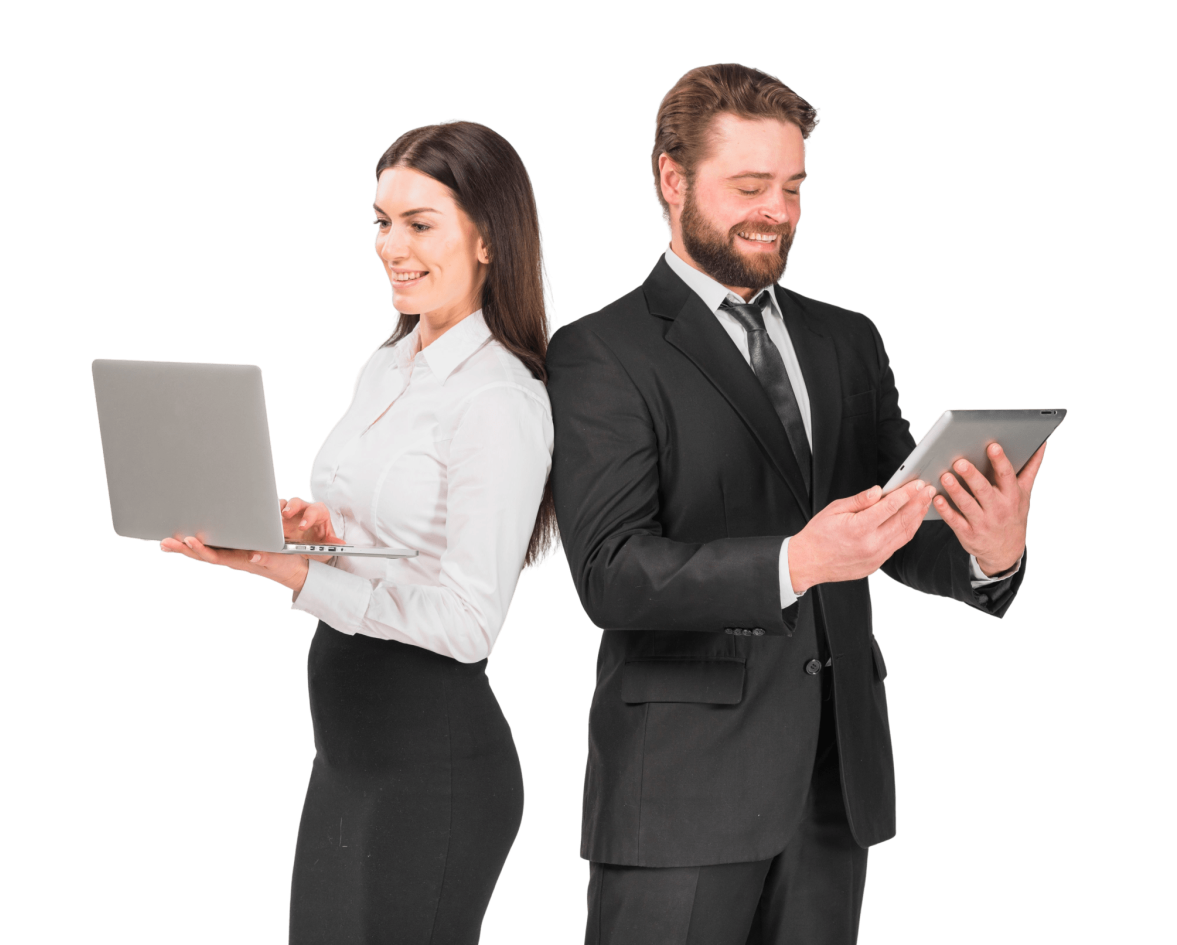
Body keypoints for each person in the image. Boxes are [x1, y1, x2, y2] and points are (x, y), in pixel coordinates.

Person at [544, 63, 1047, 944]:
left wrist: (987, 549)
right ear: (670, 179)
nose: (777, 210)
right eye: (748, 186)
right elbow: (610, 573)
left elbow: (893, 523)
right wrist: (796, 561)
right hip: (682, 799)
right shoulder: (601, 350)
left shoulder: (849, 339)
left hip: (832, 787)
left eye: (793, 186)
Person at [159, 118, 560, 943]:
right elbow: (395, 538)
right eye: (381, 222)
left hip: (433, 767)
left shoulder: (501, 400)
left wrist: (301, 576)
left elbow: (469, 619)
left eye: (420, 224)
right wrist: (316, 531)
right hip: (348, 760)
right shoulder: (390, 361)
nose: (390, 245)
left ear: (488, 239)